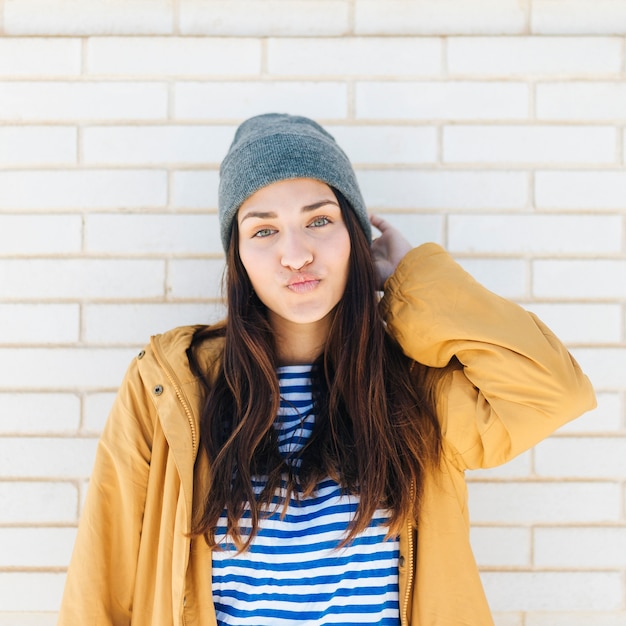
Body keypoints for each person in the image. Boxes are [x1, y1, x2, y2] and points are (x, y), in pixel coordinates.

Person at [58, 113, 596, 626]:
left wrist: (413, 280)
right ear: (238, 256)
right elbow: (102, 579)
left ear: (354, 238)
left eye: (319, 220)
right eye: (263, 230)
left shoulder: (412, 384)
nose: (295, 253)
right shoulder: (172, 387)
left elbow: (553, 390)